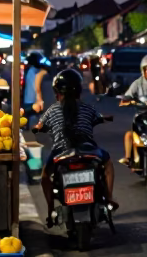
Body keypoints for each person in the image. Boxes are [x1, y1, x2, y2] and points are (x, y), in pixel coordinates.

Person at [34, 69, 117, 225]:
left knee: (45, 176)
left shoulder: (52, 110)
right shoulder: (88, 108)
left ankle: (51, 209)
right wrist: (105, 118)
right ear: (79, 90)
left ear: (57, 92)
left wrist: (36, 128)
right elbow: (99, 117)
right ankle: (110, 199)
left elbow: (40, 126)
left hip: (61, 152)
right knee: (107, 163)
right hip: (88, 150)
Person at [23, 52, 50, 116]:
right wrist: (39, 100)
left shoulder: (31, 70)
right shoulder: (34, 72)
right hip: (32, 101)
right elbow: (36, 87)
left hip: (29, 100)